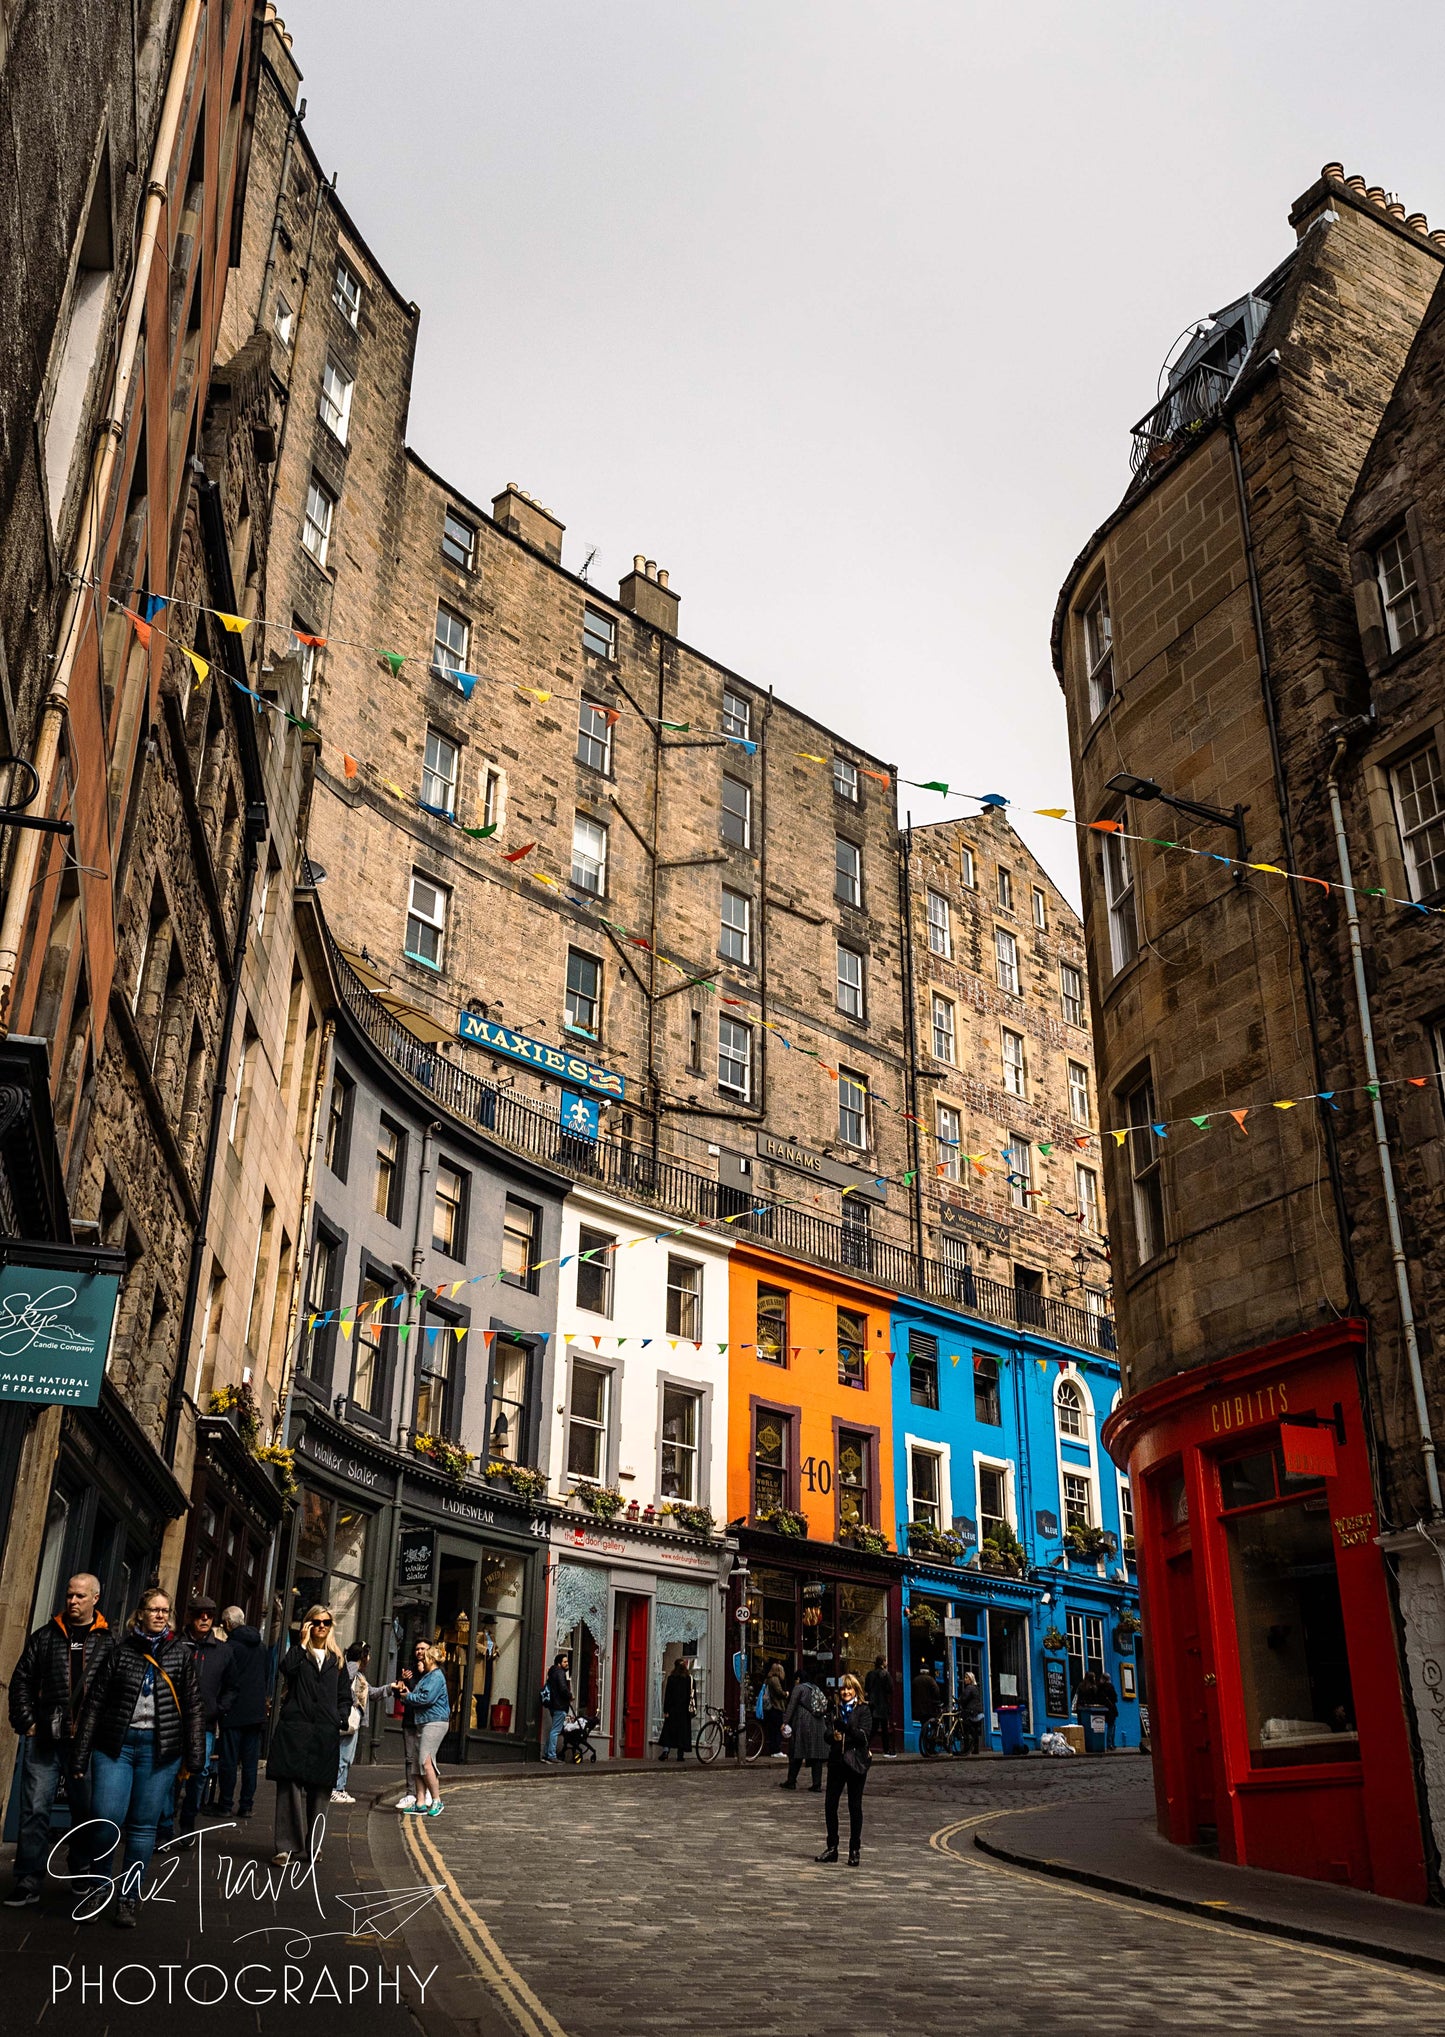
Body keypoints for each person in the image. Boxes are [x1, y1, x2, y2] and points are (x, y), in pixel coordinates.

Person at [72, 1587, 204, 1927]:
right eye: (154, 1609)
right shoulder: (120, 1650)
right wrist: (80, 1754)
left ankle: (128, 1897)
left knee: (144, 1827)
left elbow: (192, 1708)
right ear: (140, 1614)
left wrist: (195, 1757)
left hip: (159, 1751)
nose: (160, 1615)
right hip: (116, 1745)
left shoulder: (180, 1654)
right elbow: (94, 1704)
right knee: (105, 1818)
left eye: (165, 1610)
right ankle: (100, 1888)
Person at [4, 1572, 114, 1907]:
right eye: (69, 1595)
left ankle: (80, 1872)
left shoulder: (109, 1642)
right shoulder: (46, 1636)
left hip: (87, 1742)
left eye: (80, 1596)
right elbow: (21, 1678)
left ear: (95, 1598)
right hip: (47, 1739)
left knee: (85, 1810)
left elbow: (119, 1690)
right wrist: (26, 1720)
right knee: (35, 1809)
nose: (73, 1601)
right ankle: (28, 1878)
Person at [267, 1606, 351, 1865]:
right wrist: (302, 1644)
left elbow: (344, 1695)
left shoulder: (337, 1659)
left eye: (326, 1622)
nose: (322, 1626)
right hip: (295, 1729)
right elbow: (286, 1669)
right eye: (316, 1622)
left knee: (320, 1791)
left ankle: (314, 1846)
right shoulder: (297, 1654)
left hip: (324, 1732)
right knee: (288, 1788)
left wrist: (341, 1717)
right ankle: (286, 1846)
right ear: (307, 1625)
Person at [177, 1597, 229, 1833]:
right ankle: (165, 1824)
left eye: (209, 1614)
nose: (205, 1619)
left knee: (199, 1773)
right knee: (171, 1774)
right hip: (174, 1720)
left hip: (205, 1723)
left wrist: (218, 1708)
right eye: (200, 1614)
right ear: (190, 1616)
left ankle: (188, 1821)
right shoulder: (176, 1645)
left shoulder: (222, 1651)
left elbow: (232, 1687)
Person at [216, 1606, 267, 1820]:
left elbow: (225, 1678)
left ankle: (226, 1804)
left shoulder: (230, 1647)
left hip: (234, 1710)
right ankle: (246, 1805)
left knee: (228, 1761)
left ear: (227, 1624)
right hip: (255, 1711)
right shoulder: (261, 1647)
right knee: (249, 1763)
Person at [816, 1673, 872, 1866]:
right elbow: (827, 1733)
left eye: (849, 1688)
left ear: (856, 1690)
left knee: (854, 1807)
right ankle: (832, 1848)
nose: (846, 1691)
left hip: (856, 1762)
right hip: (837, 1762)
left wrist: (846, 1729)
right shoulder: (835, 1710)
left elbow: (864, 1737)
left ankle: (854, 1850)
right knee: (830, 1805)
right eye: (843, 1689)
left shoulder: (863, 1710)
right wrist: (833, 1736)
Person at [394, 1640, 449, 1813]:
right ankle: (420, 1802)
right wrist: (406, 1693)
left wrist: (407, 1697)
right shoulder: (426, 1676)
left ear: (431, 1659)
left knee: (426, 1762)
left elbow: (426, 1699)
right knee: (417, 1764)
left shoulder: (436, 1676)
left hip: (435, 1722)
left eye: (424, 1657)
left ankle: (437, 1800)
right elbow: (417, 1695)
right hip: (423, 1722)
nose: (421, 1659)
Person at [334, 1642, 372, 1801]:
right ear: (363, 1656)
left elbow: (372, 1692)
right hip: (349, 1716)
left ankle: (339, 1787)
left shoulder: (359, 1674)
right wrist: (354, 1701)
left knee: (345, 1754)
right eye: (368, 1655)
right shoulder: (352, 1668)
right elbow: (343, 1687)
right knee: (344, 1754)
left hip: (352, 1717)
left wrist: (390, 1688)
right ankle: (336, 1788)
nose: (369, 1658)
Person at [779, 1672, 829, 1792]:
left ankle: (791, 1781)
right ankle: (816, 1784)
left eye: (795, 1679)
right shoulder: (815, 1688)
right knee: (816, 1754)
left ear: (798, 1679)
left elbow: (791, 1705)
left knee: (797, 1751)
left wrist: (785, 1721)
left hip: (804, 1722)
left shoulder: (799, 1688)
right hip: (819, 1723)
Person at [658, 1656, 694, 1761]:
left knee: (668, 1732)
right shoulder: (688, 1679)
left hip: (673, 1710)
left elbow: (668, 1695)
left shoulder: (671, 1678)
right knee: (682, 1733)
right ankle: (680, 1755)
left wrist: (666, 1710)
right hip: (684, 1711)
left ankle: (665, 1751)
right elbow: (692, 1695)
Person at [541, 1651, 572, 1763]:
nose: (567, 1663)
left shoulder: (552, 1673)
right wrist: (570, 1696)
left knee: (554, 1729)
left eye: (567, 1661)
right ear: (559, 1663)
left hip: (553, 1705)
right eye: (564, 1662)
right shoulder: (560, 1673)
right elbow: (563, 1689)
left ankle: (546, 1753)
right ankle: (551, 1755)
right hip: (560, 1705)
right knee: (555, 1731)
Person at [863, 1656, 895, 1758]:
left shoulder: (870, 1674)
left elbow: (866, 1688)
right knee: (883, 1728)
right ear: (882, 1662)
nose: (886, 1663)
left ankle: (864, 1745)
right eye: (885, 1661)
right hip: (882, 1704)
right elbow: (890, 1689)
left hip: (872, 1704)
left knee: (873, 1727)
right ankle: (886, 1750)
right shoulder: (886, 1674)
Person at [912, 1662, 942, 1752]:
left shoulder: (915, 1680)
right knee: (934, 1727)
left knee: (923, 1727)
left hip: (919, 1709)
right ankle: (931, 1747)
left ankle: (925, 1746)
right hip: (930, 1708)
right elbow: (936, 1692)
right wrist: (937, 1701)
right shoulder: (930, 1680)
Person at [762, 1660, 789, 1757]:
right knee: (777, 1729)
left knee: (773, 1730)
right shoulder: (775, 1680)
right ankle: (776, 1750)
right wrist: (786, 1694)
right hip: (776, 1707)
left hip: (770, 1708)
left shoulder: (767, 1679)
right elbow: (779, 1692)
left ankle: (773, 1750)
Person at [958, 1670, 986, 1756]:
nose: (964, 1679)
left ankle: (965, 1749)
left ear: (970, 1679)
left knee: (966, 1730)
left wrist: (958, 1701)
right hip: (978, 1712)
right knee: (974, 1732)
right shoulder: (976, 1688)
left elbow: (964, 1699)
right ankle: (975, 1749)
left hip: (971, 1712)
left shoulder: (969, 1688)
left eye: (966, 1678)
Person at [1094, 1669, 1120, 1751]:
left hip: (1101, 1708)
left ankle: (1101, 1744)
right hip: (1110, 1709)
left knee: (1099, 1726)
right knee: (1111, 1726)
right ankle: (1110, 1744)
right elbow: (1115, 1698)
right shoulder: (1110, 1686)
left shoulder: (1098, 1686)